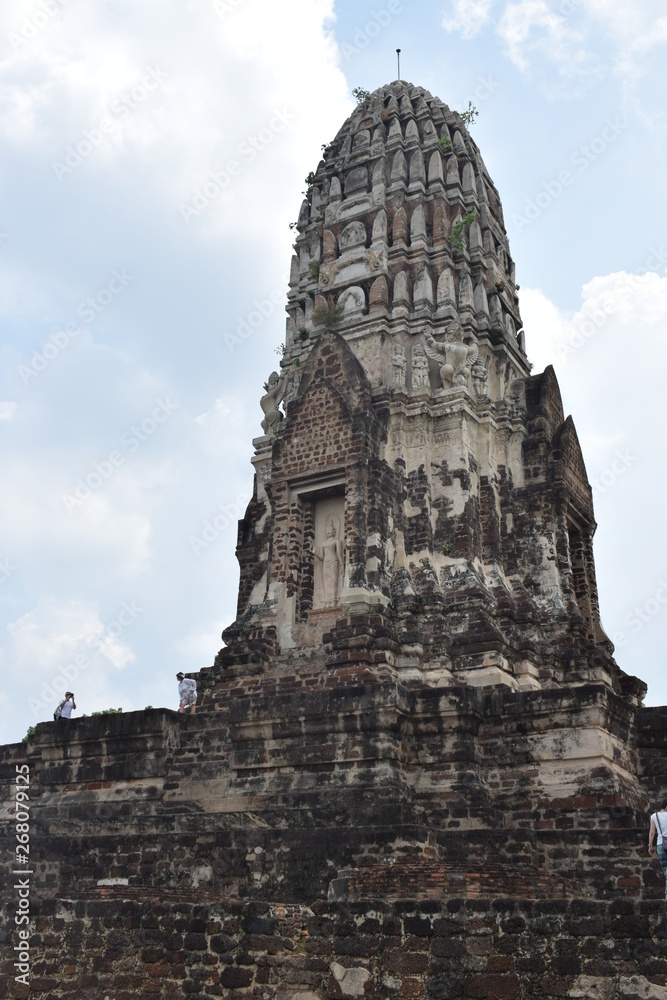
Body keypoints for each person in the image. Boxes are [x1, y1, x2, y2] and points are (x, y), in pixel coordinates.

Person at [648, 799, 667, 899]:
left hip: (661, 845)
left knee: (666, 871)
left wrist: (650, 846)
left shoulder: (654, 816)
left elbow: (652, 832)